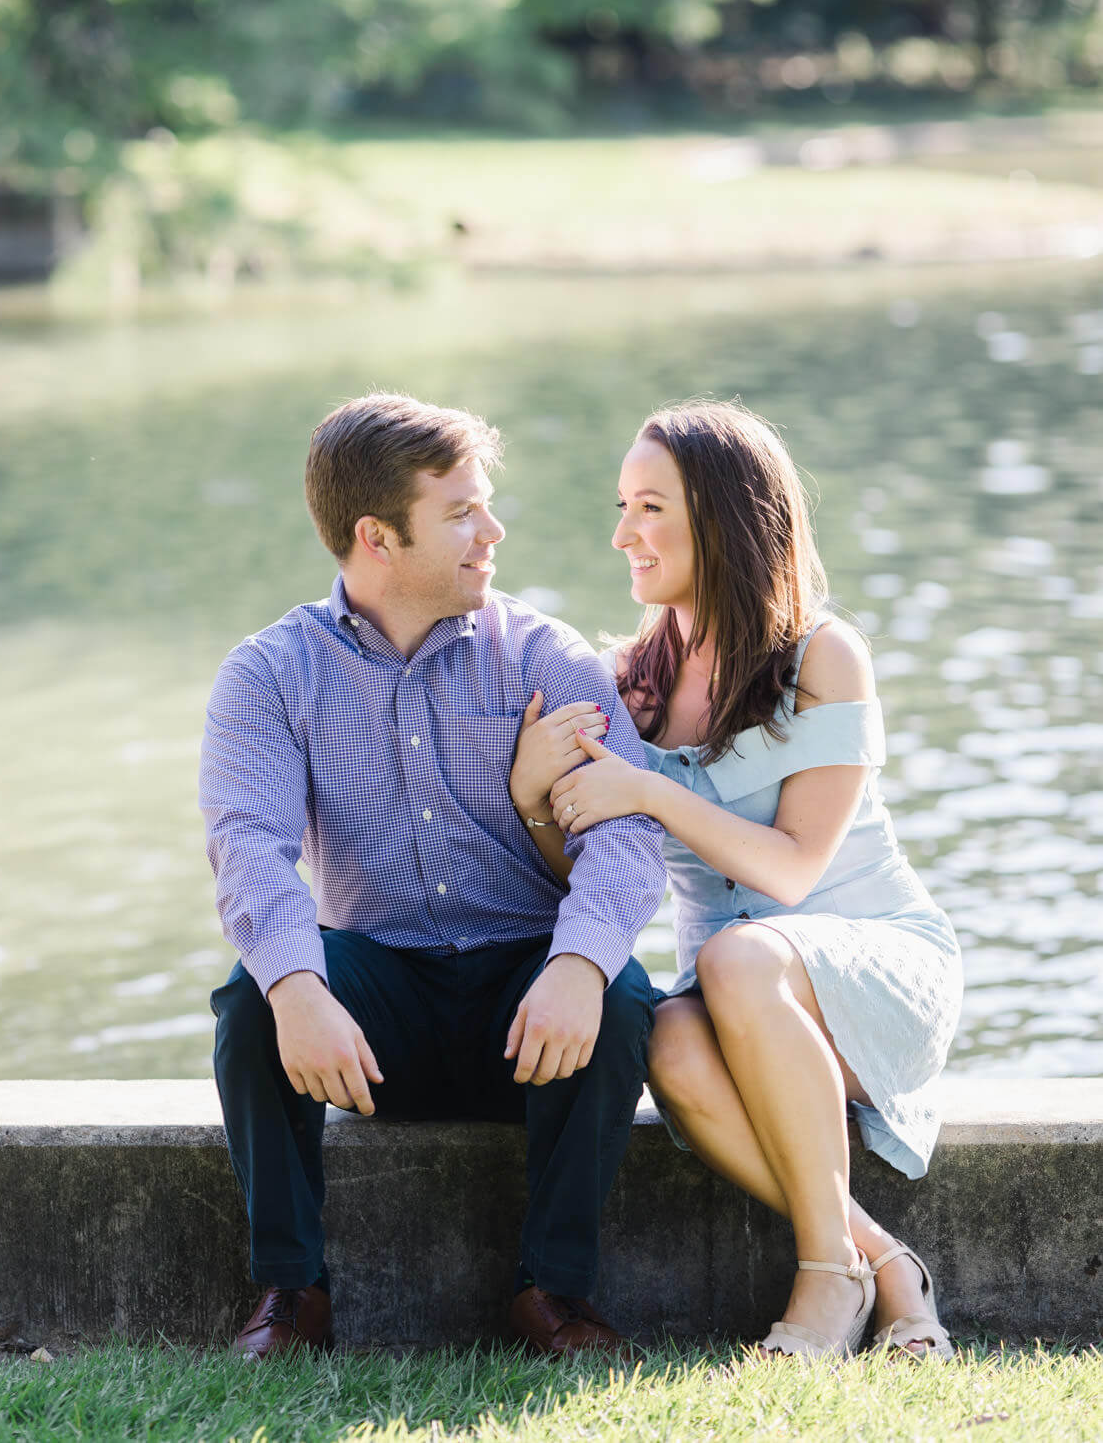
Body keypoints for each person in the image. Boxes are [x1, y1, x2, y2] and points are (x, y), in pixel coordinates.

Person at [200, 392, 665, 1360]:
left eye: (485, 505)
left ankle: (556, 1298)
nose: (492, 531)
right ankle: (293, 1296)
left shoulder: (546, 656)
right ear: (377, 537)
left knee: (619, 994)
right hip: (382, 1004)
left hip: (530, 1005)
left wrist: (578, 966)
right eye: (460, 512)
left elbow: (626, 835)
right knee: (254, 998)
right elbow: (248, 844)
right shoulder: (269, 673)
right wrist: (296, 988)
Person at [510, 399, 963, 1360]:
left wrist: (649, 790)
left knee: (742, 956)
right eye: (622, 506)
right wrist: (534, 803)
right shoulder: (625, 678)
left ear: (720, 516)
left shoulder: (823, 657)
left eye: (649, 507)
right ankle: (882, 1264)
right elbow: (585, 872)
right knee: (663, 1038)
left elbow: (794, 871)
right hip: (733, 989)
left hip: (872, 963)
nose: (621, 534)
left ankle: (822, 1280)